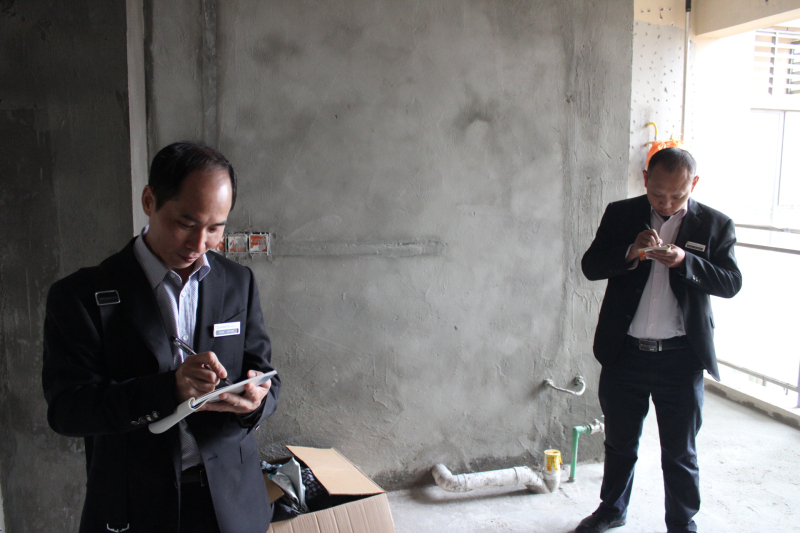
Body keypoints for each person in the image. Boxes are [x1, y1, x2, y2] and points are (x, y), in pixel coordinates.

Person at [42, 141, 281, 533]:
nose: (199, 244)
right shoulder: (81, 296)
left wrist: (254, 402)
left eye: (215, 228)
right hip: (135, 508)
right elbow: (68, 410)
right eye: (186, 223)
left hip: (232, 505)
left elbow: (266, 376)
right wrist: (170, 389)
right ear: (149, 200)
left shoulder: (238, 282)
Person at [577, 147, 742, 533]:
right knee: (619, 443)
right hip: (624, 354)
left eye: (677, 195)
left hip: (681, 358)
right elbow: (590, 266)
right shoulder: (621, 213)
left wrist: (686, 262)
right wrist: (631, 252)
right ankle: (611, 510)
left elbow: (731, 282)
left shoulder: (715, 224)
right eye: (657, 194)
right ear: (645, 179)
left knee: (680, 451)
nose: (666, 203)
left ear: (694, 184)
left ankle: (682, 524)